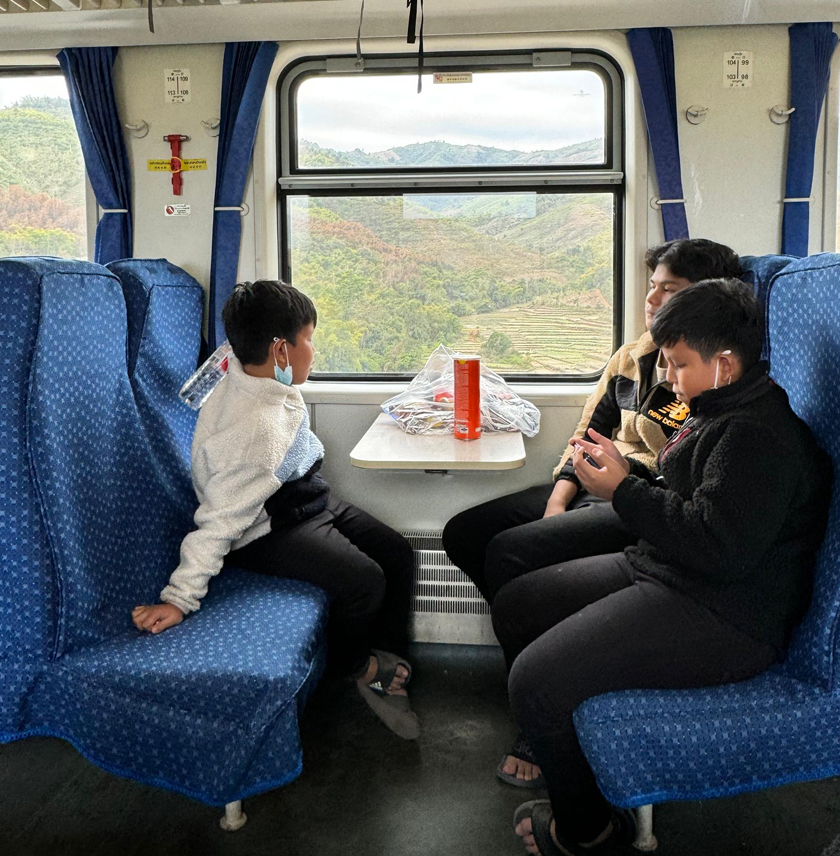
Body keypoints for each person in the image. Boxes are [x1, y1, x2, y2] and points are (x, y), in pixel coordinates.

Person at [491, 279, 831, 856]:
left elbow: (720, 550)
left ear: (725, 362)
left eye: (678, 365)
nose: (669, 378)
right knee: (518, 604)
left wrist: (623, 492)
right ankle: (568, 760)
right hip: (669, 570)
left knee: (535, 682)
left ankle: (587, 833)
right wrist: (629, 474)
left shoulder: (759, 438)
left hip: (723, 614)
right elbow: (691, 499)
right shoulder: (715, 406)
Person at [442, 237, 742, 785]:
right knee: (466, 533)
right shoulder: (630, 357)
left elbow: (669, 457)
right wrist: (558, 499)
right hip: (591, 478)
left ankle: (540, 711)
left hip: (639, 492)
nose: (652, 300)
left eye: (668, 290)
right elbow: (589, 431)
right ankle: (541, 654)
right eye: (651, 286)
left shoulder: (706, 379)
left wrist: (611, 484)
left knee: (512, 554)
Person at [132, 280, 419, 740]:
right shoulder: (255, 436)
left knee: (398, 553)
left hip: (303, 496)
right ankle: (358, 666)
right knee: (365, 581)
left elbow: (207, 377)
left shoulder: (241, 364)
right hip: (266, 526)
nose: (314, 350)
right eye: (309, 339)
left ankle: (392, 659)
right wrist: (178, 599)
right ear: (281, 350)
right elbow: (219, 520)